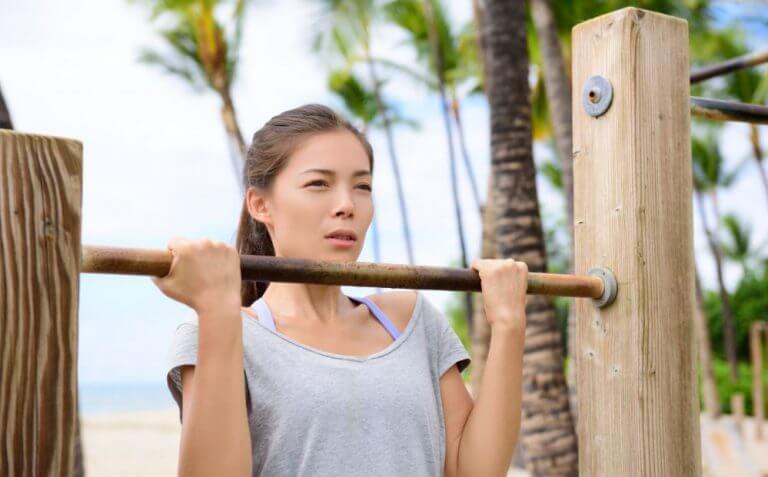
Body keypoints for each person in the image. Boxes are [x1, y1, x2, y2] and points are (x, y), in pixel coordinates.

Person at [153, 104, 527, 477]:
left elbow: (474, 471)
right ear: (260, 204)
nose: (347, 205)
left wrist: (509, 325)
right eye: (318, 183)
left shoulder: (411, 320)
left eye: (362, 186)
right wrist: (217, 309)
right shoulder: (220, 332)